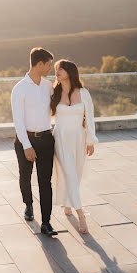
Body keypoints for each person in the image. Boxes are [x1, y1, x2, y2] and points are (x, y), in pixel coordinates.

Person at [11, 47, 58, 236]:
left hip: (46, 138)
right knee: (25, 176)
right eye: (48, 65)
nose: (50, 69)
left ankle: (46, 223)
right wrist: (27, 146)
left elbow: (60, 105)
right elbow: (18, 121)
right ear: (39, 64)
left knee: (45, 182)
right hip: (25, 139)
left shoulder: (48, 86)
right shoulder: (19, 89)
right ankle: (28, 205)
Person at [51, 59, 99, 234]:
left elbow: (90, 118)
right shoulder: (53, 92)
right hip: (61, 138)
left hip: (78, 139)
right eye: (56, 69)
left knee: (75, 176)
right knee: (70, 174)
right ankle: (81, 215)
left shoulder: (84, 93)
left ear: (70, 72)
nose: (57, 71)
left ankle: (68, 203)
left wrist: (90, 141)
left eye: (60, 69)